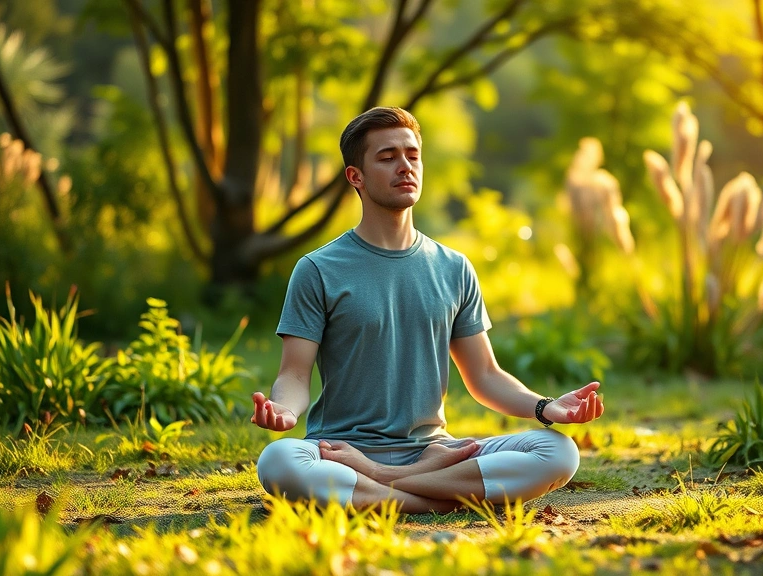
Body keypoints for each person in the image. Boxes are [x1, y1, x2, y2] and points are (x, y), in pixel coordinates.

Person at [251, 106, 605, 513]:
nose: (405, 166)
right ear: (356, 177)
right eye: (387, 157)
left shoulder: (454, 267)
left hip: (435, 452)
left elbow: (485, 376)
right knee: (278, 462)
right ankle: (438, 498)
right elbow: (294, 374)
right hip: (339, 452)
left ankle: (384, 487)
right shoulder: (317, 269)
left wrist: (545, 407)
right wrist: (283, 409)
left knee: (558, 451)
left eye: (412, 155)